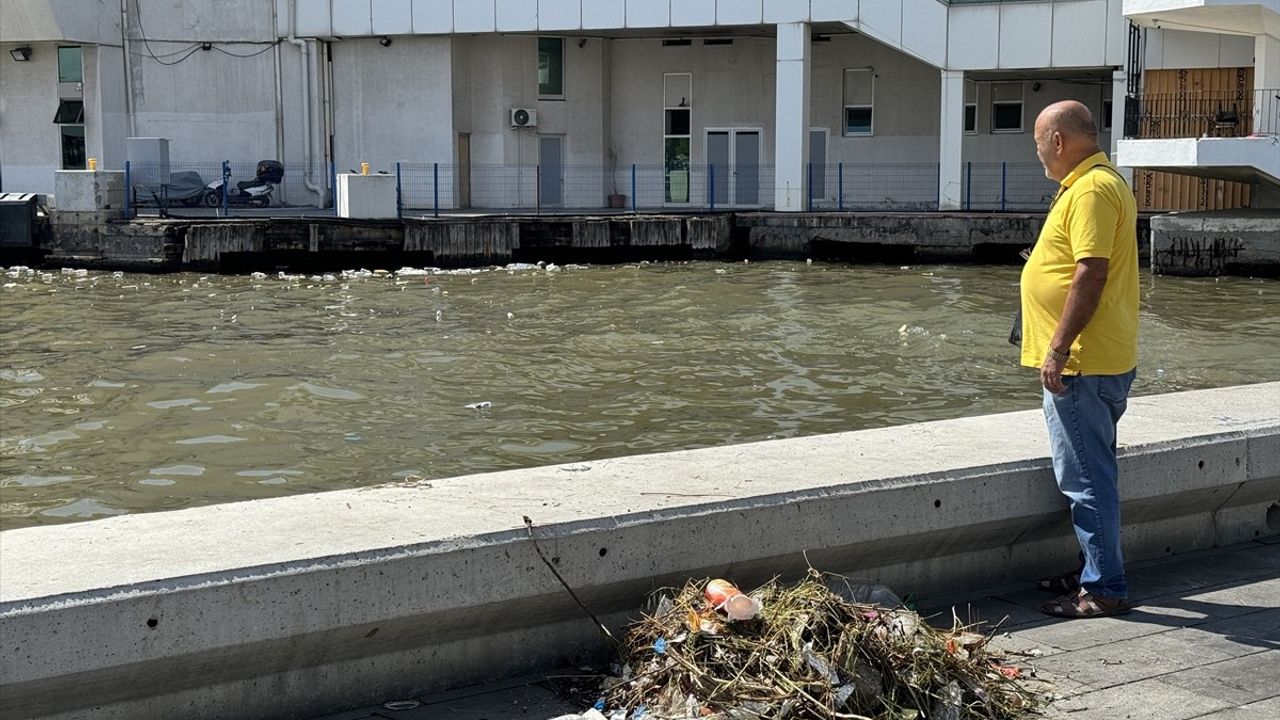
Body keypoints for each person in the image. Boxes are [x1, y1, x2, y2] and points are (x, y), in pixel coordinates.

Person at [1021, 100, 1139, 619]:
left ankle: (1104, 587)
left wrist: (1058, 346)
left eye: (1038, 142)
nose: (1038, 152)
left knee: (1087, 478)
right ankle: (1091, 567)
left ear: (1059, 141)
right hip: (1099, 357)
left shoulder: (1091, 189)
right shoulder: (1099, 182)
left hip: (1082, 365)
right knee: (1093, 470)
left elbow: (1090, 272)